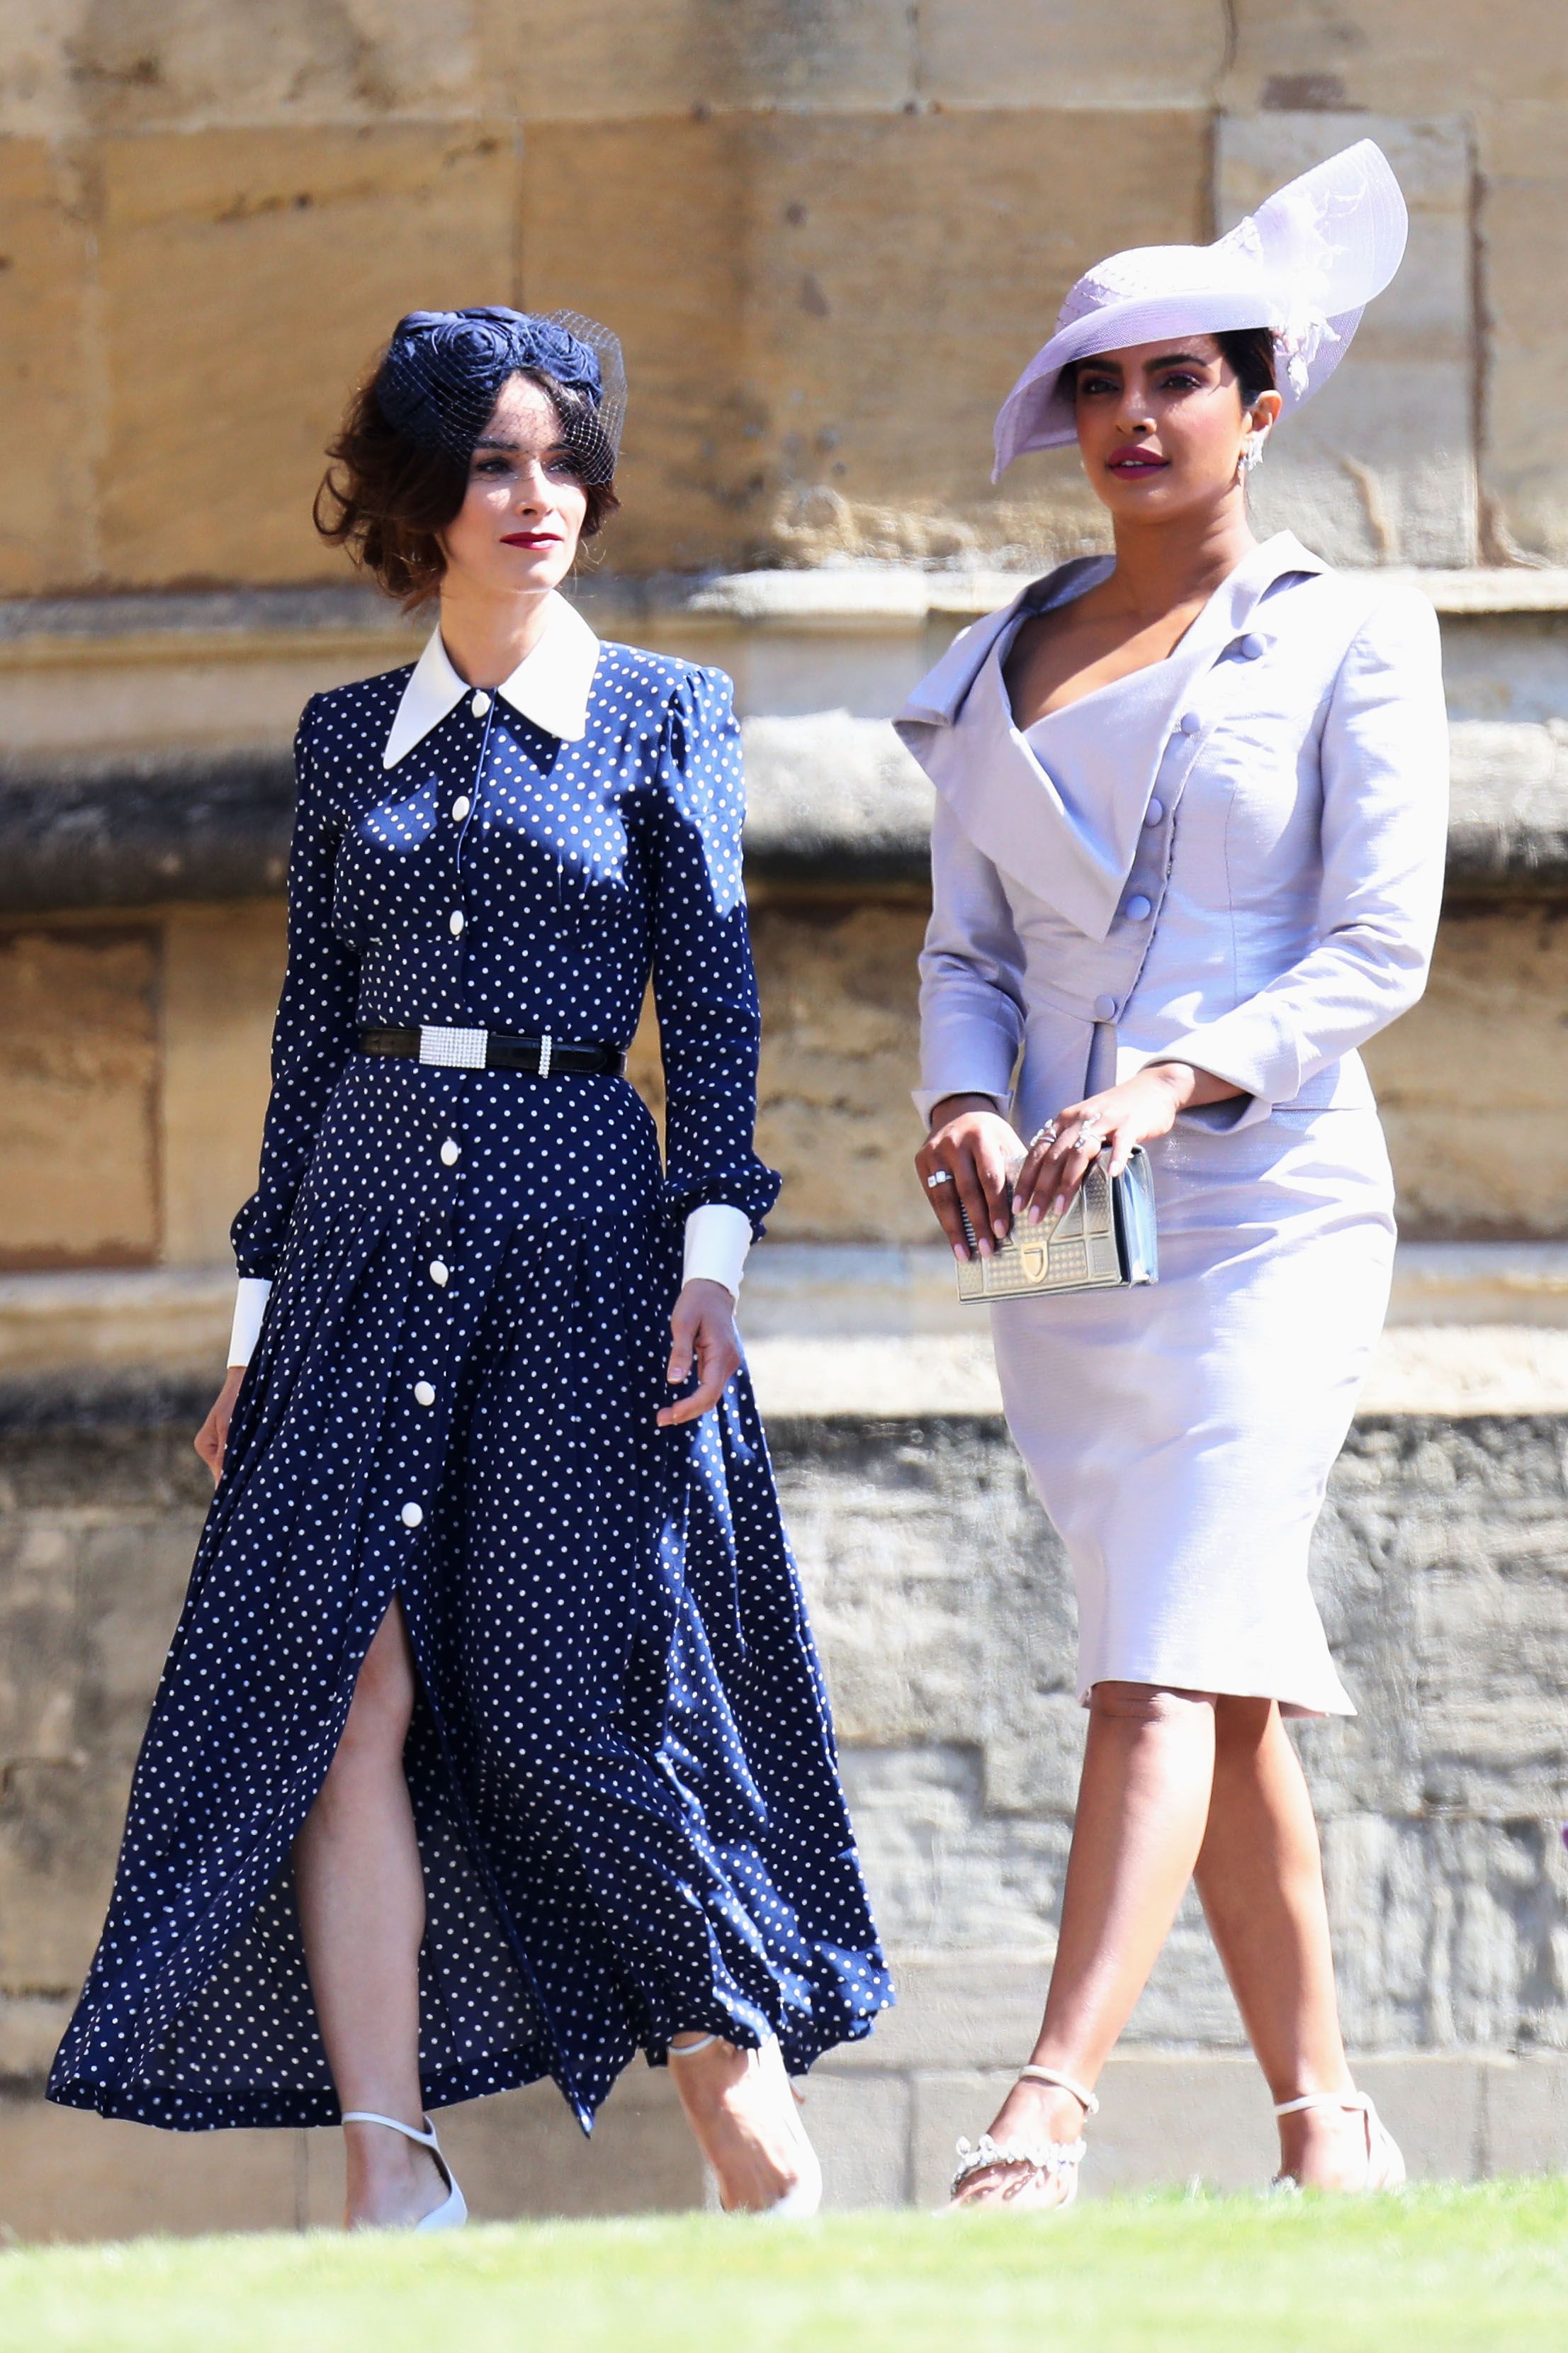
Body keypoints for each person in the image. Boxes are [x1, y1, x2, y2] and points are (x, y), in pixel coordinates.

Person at [50, 305, 890, 2227]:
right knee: (339, 1686)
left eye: (564, 458)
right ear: (425, 500)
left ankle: (732, 2091)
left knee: (568, 1692)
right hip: (355, 1251)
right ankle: (386, 2162)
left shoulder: (665, 714)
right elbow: (299, 1045)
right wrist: (251, 1326)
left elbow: (723, 1019)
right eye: (497, 463)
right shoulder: (347, 738)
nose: (541, 497)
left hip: (587, 1244)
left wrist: (716, 1254)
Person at [898, 143, 1447, 2205]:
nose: (1135, 421)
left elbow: (1376, 953)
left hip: (1269, 1207)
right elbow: (961, 954)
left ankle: (1044, 2110)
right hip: (1054, 1228)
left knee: (1154, 1660)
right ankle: (1333, 2127)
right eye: (1101, 388)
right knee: (1201, 1649)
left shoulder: (1353, 638)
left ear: (1261, 402)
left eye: (1179, 383)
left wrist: (1177, 1076)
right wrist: (965, 1099)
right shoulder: (991, 659)